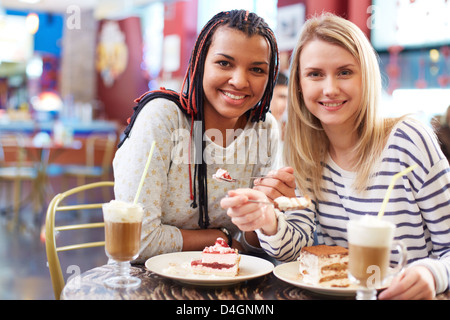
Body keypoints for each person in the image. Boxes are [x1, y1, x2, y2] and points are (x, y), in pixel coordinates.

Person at [221, 13, 450, 299]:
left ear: (365, 76)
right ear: (300, 85)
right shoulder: (303, 153)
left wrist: (432, 274)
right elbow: (296, 252)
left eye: (344, 72)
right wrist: (269, 220)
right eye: (315, 74)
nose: (330, 89)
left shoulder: (408, 140)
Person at [113, 10, 285, 262]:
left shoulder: (264, 127)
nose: (239, 81)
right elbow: (135, 240)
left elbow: (251, 246)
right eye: (224, 63)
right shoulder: (164, 118)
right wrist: (220, 238)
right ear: (199, 62)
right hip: (145, 281)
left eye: (257, 69)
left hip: (227, 280)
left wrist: (268, 214)